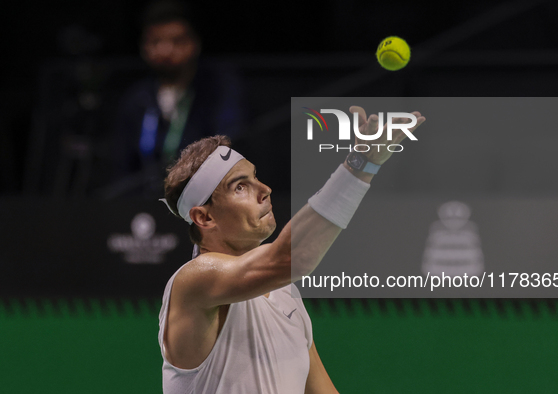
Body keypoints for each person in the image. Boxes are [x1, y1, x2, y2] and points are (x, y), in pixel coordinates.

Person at [158, 106, 426, 393]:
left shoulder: (287, 295)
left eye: (255, 176)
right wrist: (361, 165)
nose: (264, 189)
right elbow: (289, 258)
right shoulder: (194, 280)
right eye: (240, 187)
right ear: (205, 217)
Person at [111, 0, 244, 196]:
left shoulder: (219, 90)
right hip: (146, 204)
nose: (166, 51)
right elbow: (122, 165)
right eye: (156, 42)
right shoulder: (136, 100)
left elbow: (228, 148)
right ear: (144, 47)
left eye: (176, 41)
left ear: (194, 43)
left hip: (204, 201)